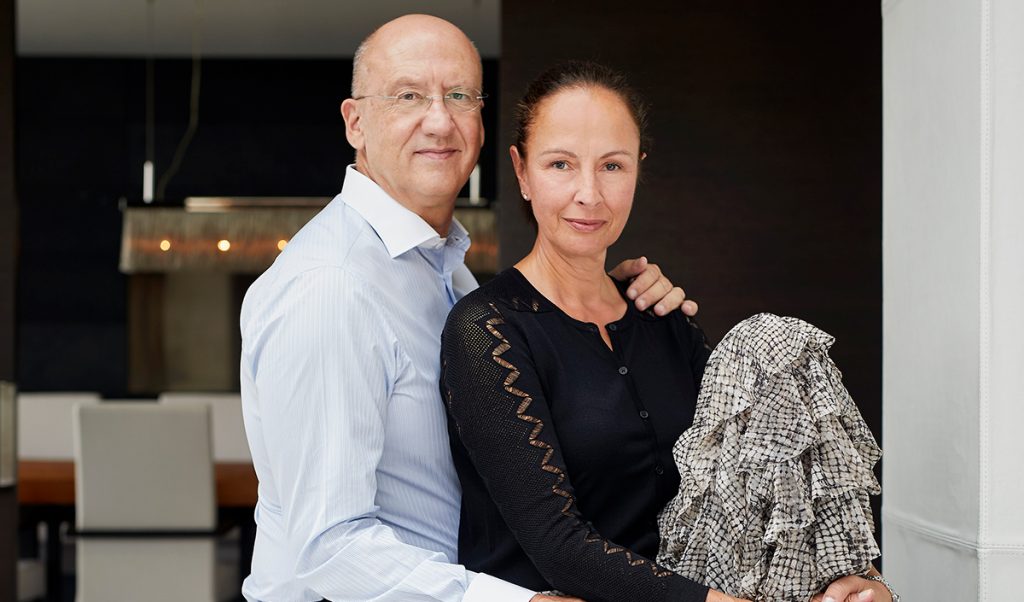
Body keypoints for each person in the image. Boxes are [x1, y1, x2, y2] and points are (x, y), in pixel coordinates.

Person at [238, 15, 692, 602]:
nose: (439, 121)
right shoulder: (330, 286)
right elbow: (329, 546)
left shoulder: (445, 267)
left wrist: (610, 295)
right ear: (355, 122)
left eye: (460, 96)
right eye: (408, 96)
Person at [439, 61, 895, 602]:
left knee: (773, 340)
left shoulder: (663, 318)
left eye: (612, 166)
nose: (589, 193)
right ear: (522, 172)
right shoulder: (486, 329)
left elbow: (749, 476)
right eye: (561, 164)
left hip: (712, 595)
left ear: (638, 170)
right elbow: (557, 546)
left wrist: (852, 578)